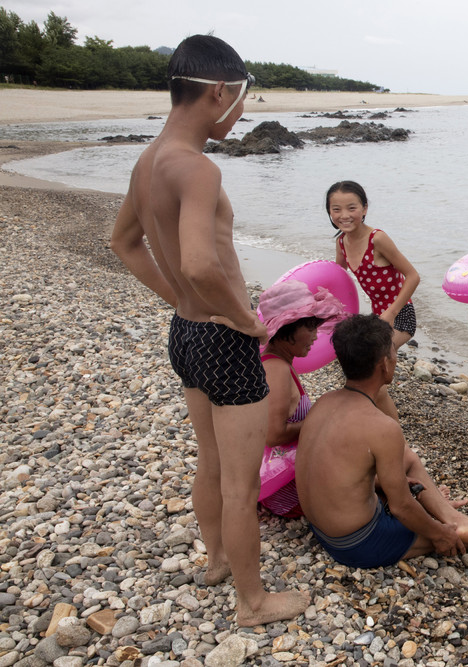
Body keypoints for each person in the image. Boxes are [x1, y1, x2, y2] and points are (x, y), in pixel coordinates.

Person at [109, 34, 308, 626]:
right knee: (240, 482)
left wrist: (183, 301)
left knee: (210, 461)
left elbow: (124, 243)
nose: (242, 111)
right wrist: (248, 320)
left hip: (186, 335)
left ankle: (219, 559)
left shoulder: (149, 161)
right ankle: (253, 601)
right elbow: (200, 261)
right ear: (219, 91)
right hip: (223, 340)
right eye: (243, 98)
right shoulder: (197, 168)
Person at [296, 314, 468, 568]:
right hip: (356, 543)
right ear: (384, 364)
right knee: (451, 538)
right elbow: (401, 507)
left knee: (407, 459)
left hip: (323, 527)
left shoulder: (325, 402)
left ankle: (452, 516)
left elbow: (341, 471)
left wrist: (388, 485)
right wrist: (438, 532)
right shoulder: (381, 427)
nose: (395, 357)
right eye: (393, 351)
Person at [328, 180, 419, 420]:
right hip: (376, 319)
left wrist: (390, 313)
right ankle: (375, 429)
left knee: (377, 384)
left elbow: (413, 276)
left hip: (401, 317)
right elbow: (338, 281)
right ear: (329, 212)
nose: (344, 215)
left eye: (352, 208)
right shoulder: (341, 243)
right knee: (369, 382)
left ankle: (394, 438)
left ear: (365, 209)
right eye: (336, 209)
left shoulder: (377, 239)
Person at [257, 280, 348, 517]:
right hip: (287, 493)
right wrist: (319, 418)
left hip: (282, 483)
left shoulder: (276, 363)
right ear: (287, 329)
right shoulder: (276, 371)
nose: (316, 337)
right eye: (310, 328)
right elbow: (273, 434)